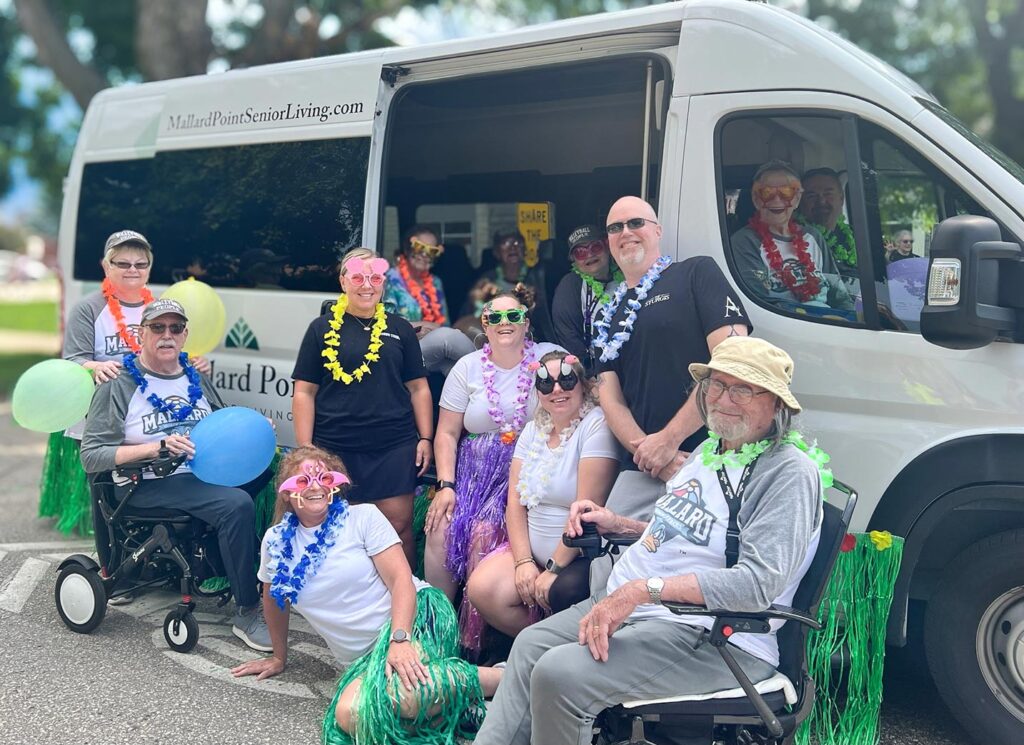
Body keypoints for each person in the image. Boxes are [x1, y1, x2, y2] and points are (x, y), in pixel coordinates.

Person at [474, 337, 825, 745]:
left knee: (559, 674)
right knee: (532, 644)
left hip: (711, 637)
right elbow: (686, 536)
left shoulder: (787, 473)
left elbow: (757, 584)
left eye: (743, 388)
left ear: (777, 403)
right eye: (715, 385)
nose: (723, 398)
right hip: (643, 610)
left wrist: (645, 591)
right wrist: (616, 523)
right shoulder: (712, 451)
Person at [230, 446, 503, 745]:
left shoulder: (362, 518)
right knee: (352, 715)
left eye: (323, 477)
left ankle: (503, 679)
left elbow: (401, 581)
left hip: (413, 620)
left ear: (335, 483)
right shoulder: (276, 541)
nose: (316, 486)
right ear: (286, 493)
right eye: (303, 481)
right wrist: (280, 657)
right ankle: (458, 703)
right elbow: (273, 599)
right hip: (362, 656)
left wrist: (401, 639)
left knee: (408, 698)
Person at [79, 299, 271, 651]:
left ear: (185, 335)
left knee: (266, 473)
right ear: (141, 333)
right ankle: (246, 609)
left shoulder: (194, 375)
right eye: (157, 327)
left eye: (175, 328)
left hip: (198, 474)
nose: (167, 335)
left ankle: (226, 564)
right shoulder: (118, 384)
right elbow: (91, 456)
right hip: (146, 482)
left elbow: (221, 422)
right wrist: (155, 447)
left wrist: (255, 430)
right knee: (235, 504)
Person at [41, 229, 210, 539]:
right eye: (123, 264)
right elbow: (71, 361)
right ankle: (107, 554)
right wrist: (95, 366)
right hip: (99, 412)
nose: (133, 270)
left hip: (143, 413)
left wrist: (193, 360)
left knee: (144, 482)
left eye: (140, 264)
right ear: (106, 266)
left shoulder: (158, 308)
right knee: (103, 489)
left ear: (149, 268)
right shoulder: (88, 308)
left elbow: (169, 352)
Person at [423, 287, 563, 653]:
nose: (504, 323)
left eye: (513, 316)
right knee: (442, 527)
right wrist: (446, 485)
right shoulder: (466, 367)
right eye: (495, 317)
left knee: (484, 533)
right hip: (472, 474)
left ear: (526, 323)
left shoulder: (548, 357)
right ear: (484, 325)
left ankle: (480, 646)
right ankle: (438, 636)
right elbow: (447, 433)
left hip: (528, 470)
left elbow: (574, 399)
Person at [292, 248, 433, 569]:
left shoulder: (400, 329)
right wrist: (306, 450)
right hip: (336, 448)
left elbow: (418, 387)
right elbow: (304, 392)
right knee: (342, 530)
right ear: (343, 282)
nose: (366, 284)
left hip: (393, 446)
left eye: (375, 277)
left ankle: (404, 603)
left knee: (397, 529)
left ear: (383, 283)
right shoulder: (320, 329)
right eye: (357, 276)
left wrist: (425, 438)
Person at [465, 351, 618, 634]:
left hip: (579, 555)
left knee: (561, 591)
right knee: (482, 587)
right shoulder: (534, 429)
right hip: (532, 554)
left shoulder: (595, 424)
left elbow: (585, 510)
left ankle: (556, 650)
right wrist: (523, 562)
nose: (557, 390)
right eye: (546, 384)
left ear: (583, 384)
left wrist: (553, 569)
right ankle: (540, 645)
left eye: (567, 381)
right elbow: (515, 501)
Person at [731, 161, 854, 311]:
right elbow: (760, 303)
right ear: (756, 199)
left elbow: (839, 296)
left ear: (796, 199)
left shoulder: (813, 236)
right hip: (787, 325)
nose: (777, 200)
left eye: (786, 192)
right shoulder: (745, 241)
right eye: (767, 193)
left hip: (828, 322)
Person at [383, 224, 475, 374]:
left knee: (451, 364)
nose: (425, 254)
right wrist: (422, 327)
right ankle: (485, 375)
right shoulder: (390, 279)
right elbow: (387, 323)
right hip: (401, 348)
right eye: (420, 247)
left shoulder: (436, 282)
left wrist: (432, 330)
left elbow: (445, 324)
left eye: (432, 250)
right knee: (446, 339)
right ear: (408, 248)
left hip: (432, 348)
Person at [551, 225, 623, 375]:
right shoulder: (570, 286)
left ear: (607, 247)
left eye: (595, 247)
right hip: (596, 371)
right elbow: (569, 338)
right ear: (573, 260)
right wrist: (590, 377)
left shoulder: (627, 274)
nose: (589, 255)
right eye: (580, 253)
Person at [469, 230, 554, 342]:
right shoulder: (487, 279)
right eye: (506, 243)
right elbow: (473, 317)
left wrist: (532, 304)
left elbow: (546, 319)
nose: (513, 247)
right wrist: (477, 303)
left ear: (525, 250)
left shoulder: (537, 277)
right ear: (496, 252)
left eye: (517, 243)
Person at [798, 167, 859, 292]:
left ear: (841, 198)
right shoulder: (795, 240)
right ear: (800, 203)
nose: (821, 201)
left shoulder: (858, 236)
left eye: (828, 194)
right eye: (811, 196)